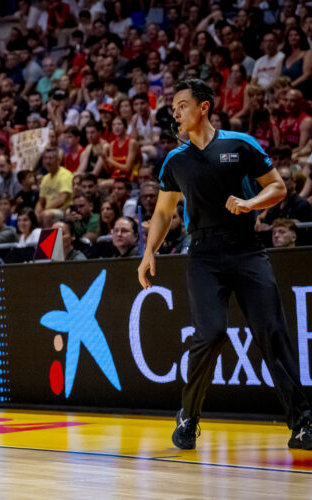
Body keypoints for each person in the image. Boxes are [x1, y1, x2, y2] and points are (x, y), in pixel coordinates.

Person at [138, 79, 312, 451]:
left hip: (247, 249)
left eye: (182, 106)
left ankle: (302, 422)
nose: (176, 113)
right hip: (203, 254)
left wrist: (251, 204)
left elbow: (277, 187)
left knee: (272, 332)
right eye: (174, 108)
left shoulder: (240, 144)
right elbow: (164, 211)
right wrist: (149, 251)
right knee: (212, 333)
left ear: (203, 108)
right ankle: (188, 416)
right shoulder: (175, 159)